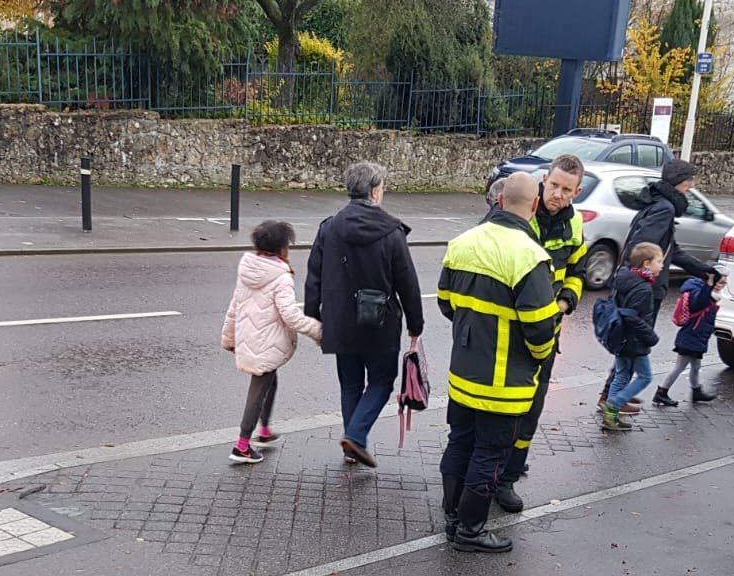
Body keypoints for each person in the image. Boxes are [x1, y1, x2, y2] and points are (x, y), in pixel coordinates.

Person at [436, 172, 558, 554]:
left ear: (499, 201)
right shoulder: (529, 256)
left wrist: (474, 329)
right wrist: (538, 362)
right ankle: (471, 531)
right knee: (490, 453)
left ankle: (453, 516)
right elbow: (540, 331)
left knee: (459, 440)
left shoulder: (461, 243)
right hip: (505, 380)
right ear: (534, 206)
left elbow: (445, 302)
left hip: (463, 371)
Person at [305, 161, 424, 469]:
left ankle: (351, 447)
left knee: (350, 384)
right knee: (382, 382)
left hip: (339, 321)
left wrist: (312, 318)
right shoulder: (392, 231)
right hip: (380, 321)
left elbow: (313, 277)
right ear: (374, 192)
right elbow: (407, 282)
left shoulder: (329, 227)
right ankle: (355, 437)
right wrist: (415, 323)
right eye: (382, 188)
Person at [492, 156, 587, 514]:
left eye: (567, 190)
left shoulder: (574, 224)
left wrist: (566, 300)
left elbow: (578, 266)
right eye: (554, 186)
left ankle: (508, 478)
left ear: (576, 192)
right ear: (544, 180)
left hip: (547, 334)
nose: (558, 195)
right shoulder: (519, 215)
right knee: (498, 409)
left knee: (531, 409)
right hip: (510, 331)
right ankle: (486, 471)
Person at [599, 157, 712, 407]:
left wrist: (704, 271)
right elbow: (643, 249)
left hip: (639, 286)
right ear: (678, 183)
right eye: (688, 181)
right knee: (633, 345)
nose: (691, 186)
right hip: (644, 289)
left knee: (630, 345)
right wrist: (642, 282)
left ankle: (613, 394)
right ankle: (612, 399)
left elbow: (673, 251)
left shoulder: (657, 203)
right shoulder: (665, 209)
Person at [221, 221, 323, 464]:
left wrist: (228, 337)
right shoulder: (280, 276)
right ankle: (242, 445)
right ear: (282, 248)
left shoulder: (249, 267)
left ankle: (264, 430)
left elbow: (235, 306)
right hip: (266, 341)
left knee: (270, 379)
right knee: (258, 388)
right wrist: (319, 331)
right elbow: (290, 315)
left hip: (252, 337)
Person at [600, 242, 664, 430]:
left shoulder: (624, 279)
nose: (662, 265)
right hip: (634, 342)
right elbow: (632, 317)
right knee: (645, 377)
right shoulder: (643, 288)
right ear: (646, 263)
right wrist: (651, 337)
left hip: (620, 339)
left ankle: (609, 417)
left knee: (621, 374)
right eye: (659, 261)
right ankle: (614, 405)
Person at [652, 268, 725, 407]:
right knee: (680, 367)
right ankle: (661, 392)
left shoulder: (704, 293)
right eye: (720, 282)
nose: (722, 285)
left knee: (696, 366)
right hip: (690, 338)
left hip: (696, 338)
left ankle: (696, 391)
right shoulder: (700, 294)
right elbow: (701, 301)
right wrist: (709, 283)